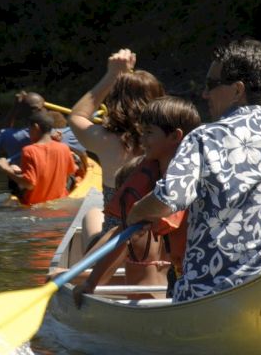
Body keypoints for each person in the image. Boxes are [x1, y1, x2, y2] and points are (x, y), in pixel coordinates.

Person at [126, 38, 261, 302]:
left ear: (237, 90)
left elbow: (169, 199)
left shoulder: (204, 138)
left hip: (214, 296)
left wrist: (136, 212)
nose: (205, 94)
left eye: (211, 85)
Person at [73, 96, 202, 306]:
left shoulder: (196, 178)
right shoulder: (149, 175)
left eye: (149, 133)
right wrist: (91, 284)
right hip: (179, 277)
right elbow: (123, 236)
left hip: (200, 276)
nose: (142, 140)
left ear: (175, 137)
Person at [68, 48, 165, 249]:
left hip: (115, 243)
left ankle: (92, 265)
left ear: (115, 101)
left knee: (92, 214)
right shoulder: (171, 140)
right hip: (160, 240)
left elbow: (76, 117)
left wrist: (112, 75)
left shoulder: (106, 140)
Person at [0, 111, 78, 205]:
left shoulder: (29, 150)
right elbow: (72, 170)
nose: (29, 133)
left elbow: (29, 184)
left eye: (29, 129)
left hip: (34, 202)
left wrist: (6, 168)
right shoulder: (64, 147)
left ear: (36, 127)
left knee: (14, 167)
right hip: (59, 200)